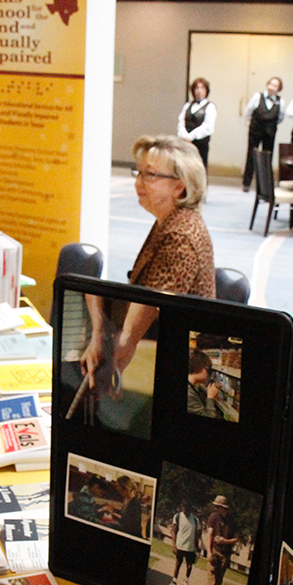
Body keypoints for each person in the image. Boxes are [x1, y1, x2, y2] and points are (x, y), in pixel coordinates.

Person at [80, 135, 215, 389]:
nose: (139, 183)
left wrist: (107, 353)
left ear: (180, 187)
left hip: (180, 370)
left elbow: (147, 309)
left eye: (150, 175)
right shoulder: (170, 219)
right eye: (138, 173)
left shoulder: (180, 236)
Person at [241, 76, 285, 191]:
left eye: (275, 86)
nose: (271, 87)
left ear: (279, 89)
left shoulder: (281, 101)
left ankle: (264, 187)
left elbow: (280, 118)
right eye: (270, 84)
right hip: (255, 130)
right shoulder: (257, 96)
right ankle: (246, 183)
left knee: (267, 158)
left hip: (270, 132)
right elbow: (248, 111)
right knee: (251, 155)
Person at [204, 494, 238, 585]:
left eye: (218, 506)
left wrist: (225, 541)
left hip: (226, 553)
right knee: (212, 574)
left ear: (224, 507)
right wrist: (208, 551)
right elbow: (209, 534)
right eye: (216, 506)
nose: (216, 508)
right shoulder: (213, 516)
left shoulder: (232, 520)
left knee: (219, 578)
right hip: (215, 550)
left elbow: (236, 539)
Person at [177, 77, 216, 170]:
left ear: (206, 90)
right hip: (186, 143)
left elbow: (208, 126)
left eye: (202, 88)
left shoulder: (210, 106)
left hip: (201, 144)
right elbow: (181, 121)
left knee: (199, 168)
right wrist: (184, 135)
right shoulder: (187, 105)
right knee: (185, 168)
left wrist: (191, 136)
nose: (199, 91)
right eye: (197, 88)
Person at [169, 498, 201, 585]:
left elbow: (197, 535)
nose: (185, 510)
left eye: (187, 508)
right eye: (184, 508)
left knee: (189, 566)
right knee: (178, 563)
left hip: (190, 548)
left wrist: (197, 549)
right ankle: (174, 582)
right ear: (182, 507)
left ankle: (186, 582)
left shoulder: (195, 520)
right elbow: (174, 531)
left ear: (190, 509)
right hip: (180, 545)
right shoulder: (177, 516)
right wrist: (174, 544)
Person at [187, 349, 222, 418]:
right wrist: (210, 397)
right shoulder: (189, 394)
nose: (208, 374)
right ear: (201, 368)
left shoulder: (191, 386)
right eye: (208, 370)